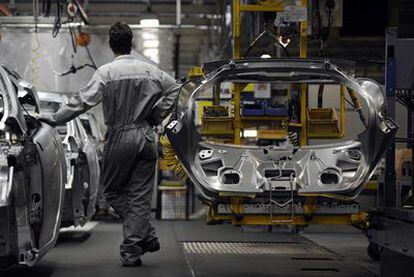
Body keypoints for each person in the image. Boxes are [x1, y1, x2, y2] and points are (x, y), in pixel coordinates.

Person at [40, 22, 180, 267]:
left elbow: (82, 102)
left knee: (112, 192)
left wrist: (53, 118)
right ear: (131, 43)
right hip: (146, 137)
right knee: (140, 196)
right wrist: (156, 117)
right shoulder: (151, 71)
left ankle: (140, 238)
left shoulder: (106, 73)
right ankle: (137, 242)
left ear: (112, 44)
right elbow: (176, 88)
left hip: (120, 137)